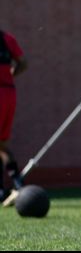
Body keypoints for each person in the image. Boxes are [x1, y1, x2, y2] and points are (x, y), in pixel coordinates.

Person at [0, 29, 27, 206]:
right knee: (1, 144)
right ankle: (18, 186)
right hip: (9, 93)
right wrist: (10, 75)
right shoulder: (7, 38)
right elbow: (23, 63)